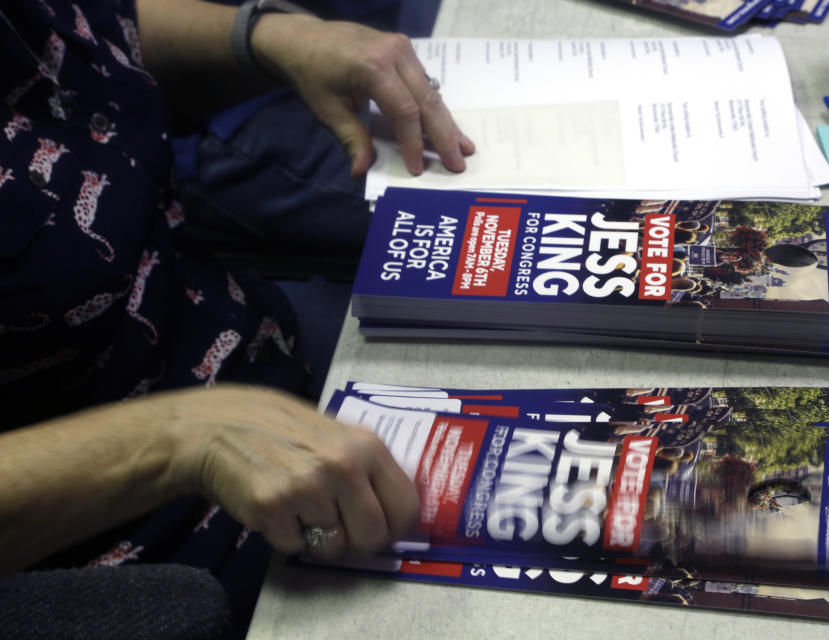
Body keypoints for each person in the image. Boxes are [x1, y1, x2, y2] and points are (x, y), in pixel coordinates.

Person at [0, 0, 474, 636]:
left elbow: (96, 25)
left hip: (243, 333)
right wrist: (171, 440)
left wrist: (268, 35)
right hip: (130, 548)